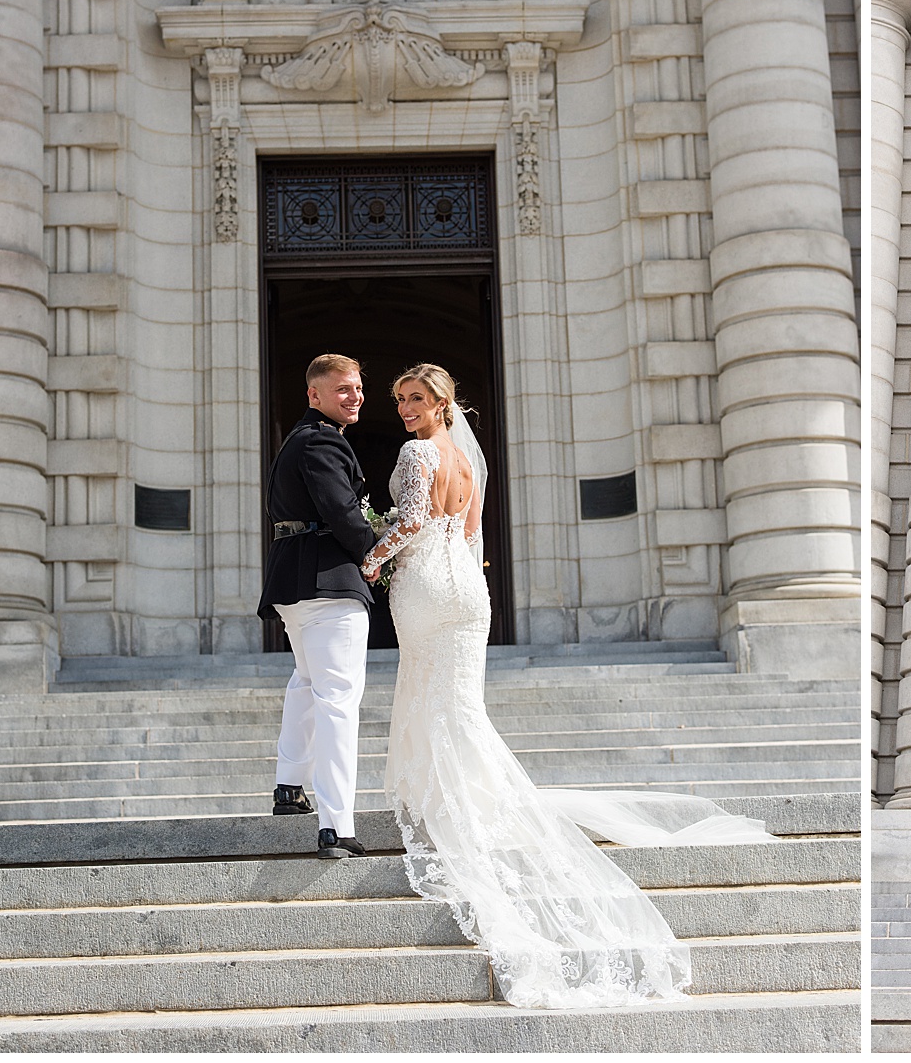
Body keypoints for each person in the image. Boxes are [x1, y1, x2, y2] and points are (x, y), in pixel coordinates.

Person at [359, 363, 770, 1008]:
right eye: (401, 400)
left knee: (433, 698)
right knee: (459, 704)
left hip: (429, 588)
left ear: (442, 401)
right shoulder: (466, 459)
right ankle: (468, 799)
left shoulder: (416, 454)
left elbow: (411, 524)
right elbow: (467, 534)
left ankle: (450, 807)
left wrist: (371, 558)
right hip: (468, 591)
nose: (406, 409)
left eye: (416, 399)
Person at [258, 354, 377, 859]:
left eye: (357, 388)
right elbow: (343, 512)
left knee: (307, 683)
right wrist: (375, 554)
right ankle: (336, 824)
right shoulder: (322, 441)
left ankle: (289, 787)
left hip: (293, 582)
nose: (354, 397)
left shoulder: (295, 442)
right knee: (338, 700)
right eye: (343, 389)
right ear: (315, 395)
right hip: (328, 583)